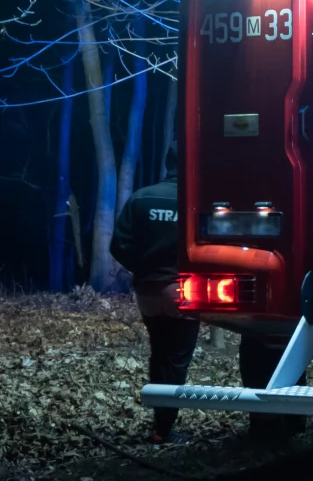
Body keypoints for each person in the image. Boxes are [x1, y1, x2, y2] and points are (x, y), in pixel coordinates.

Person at [110, 142, 198, 445]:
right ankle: (164, 428)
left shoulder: (141, 198)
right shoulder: (195, 200)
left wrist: (143, 270)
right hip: (182, 290)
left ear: (167, 162)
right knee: (176, 360)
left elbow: (118, 245)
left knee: (158, 353)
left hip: (146, 291)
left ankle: (159, 426)